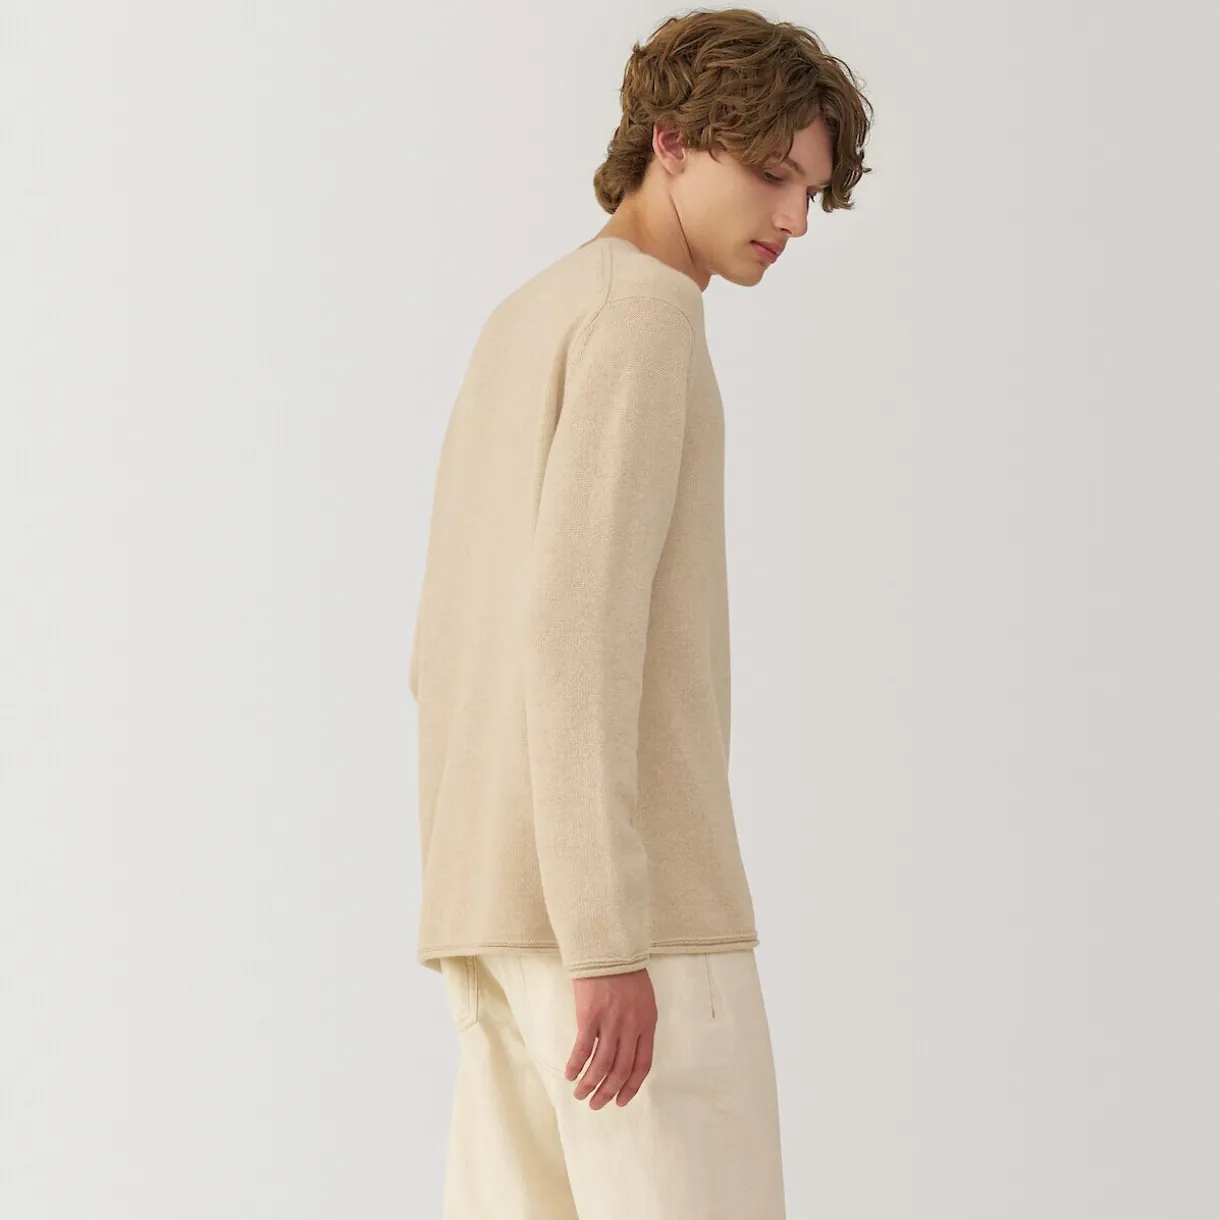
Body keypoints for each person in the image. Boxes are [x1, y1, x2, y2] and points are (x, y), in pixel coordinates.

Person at [408, 8, 873, 1217]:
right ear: (668, 142)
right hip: (630, 925)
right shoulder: (643, 315)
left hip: (494, 914)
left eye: (810, 191)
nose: (792, 219)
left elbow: (441, 647)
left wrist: (491, 905)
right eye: (769, 174)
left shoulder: (529, 314)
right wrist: (606, 933)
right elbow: (575, 636)